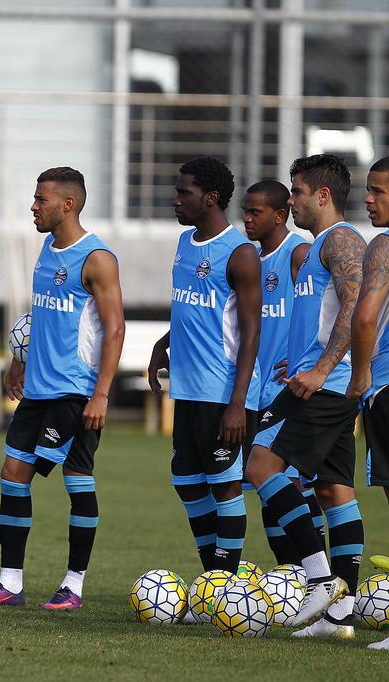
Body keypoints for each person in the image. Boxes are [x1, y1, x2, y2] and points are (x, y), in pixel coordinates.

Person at [0, 167, 124, 611]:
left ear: (68, 204)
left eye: (41, 199)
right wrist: (19, 361)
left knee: (76, 479)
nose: (33, 206)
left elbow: (114, 330)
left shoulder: (97, 258)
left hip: (75, 393)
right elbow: (41, 316)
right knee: (12, 475)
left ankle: (74, 585)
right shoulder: (48, 249)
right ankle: (10, 583)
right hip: (38, 390)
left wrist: (101, 395)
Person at [244, 153, 366, 638]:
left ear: (322, 195)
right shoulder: (316, 248)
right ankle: (340, 616)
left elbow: (356, 307)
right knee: (335, 490)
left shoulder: (341, 240)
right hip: (316, 379)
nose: (290, 200)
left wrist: (319, 368)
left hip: (325, 385)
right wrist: (297, 358)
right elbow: (322, 314)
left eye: (296, 192)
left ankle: (319, 578)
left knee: (259, 466)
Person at [147, 157, 261, 579]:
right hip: (189, 390)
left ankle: (223, 585)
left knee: (225, 486)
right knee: (188, 483)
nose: (175, 200)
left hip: (223, 394)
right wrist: (163, 344)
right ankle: (215, 577)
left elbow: (251, 334)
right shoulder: (185, 243)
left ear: (210, 198)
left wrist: (238, 404)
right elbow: (192, 309)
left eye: (184, 193)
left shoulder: (240, 253)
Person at [241, 180, 317, 566]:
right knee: (268, 486)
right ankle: (293, 574)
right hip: (254, 391)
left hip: (286, 391)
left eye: (255, 212)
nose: (247, 219)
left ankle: (315, 573)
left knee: (287, 480)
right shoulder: (250, 258)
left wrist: (305, 357)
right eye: (245, 211)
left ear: (279, 215)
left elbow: (328, 307)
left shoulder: (298, 253)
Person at [346, 156, 389, 650]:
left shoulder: (382, 245)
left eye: (378, 191)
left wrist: (360, 378)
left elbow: (364, 319)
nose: (369, 200)